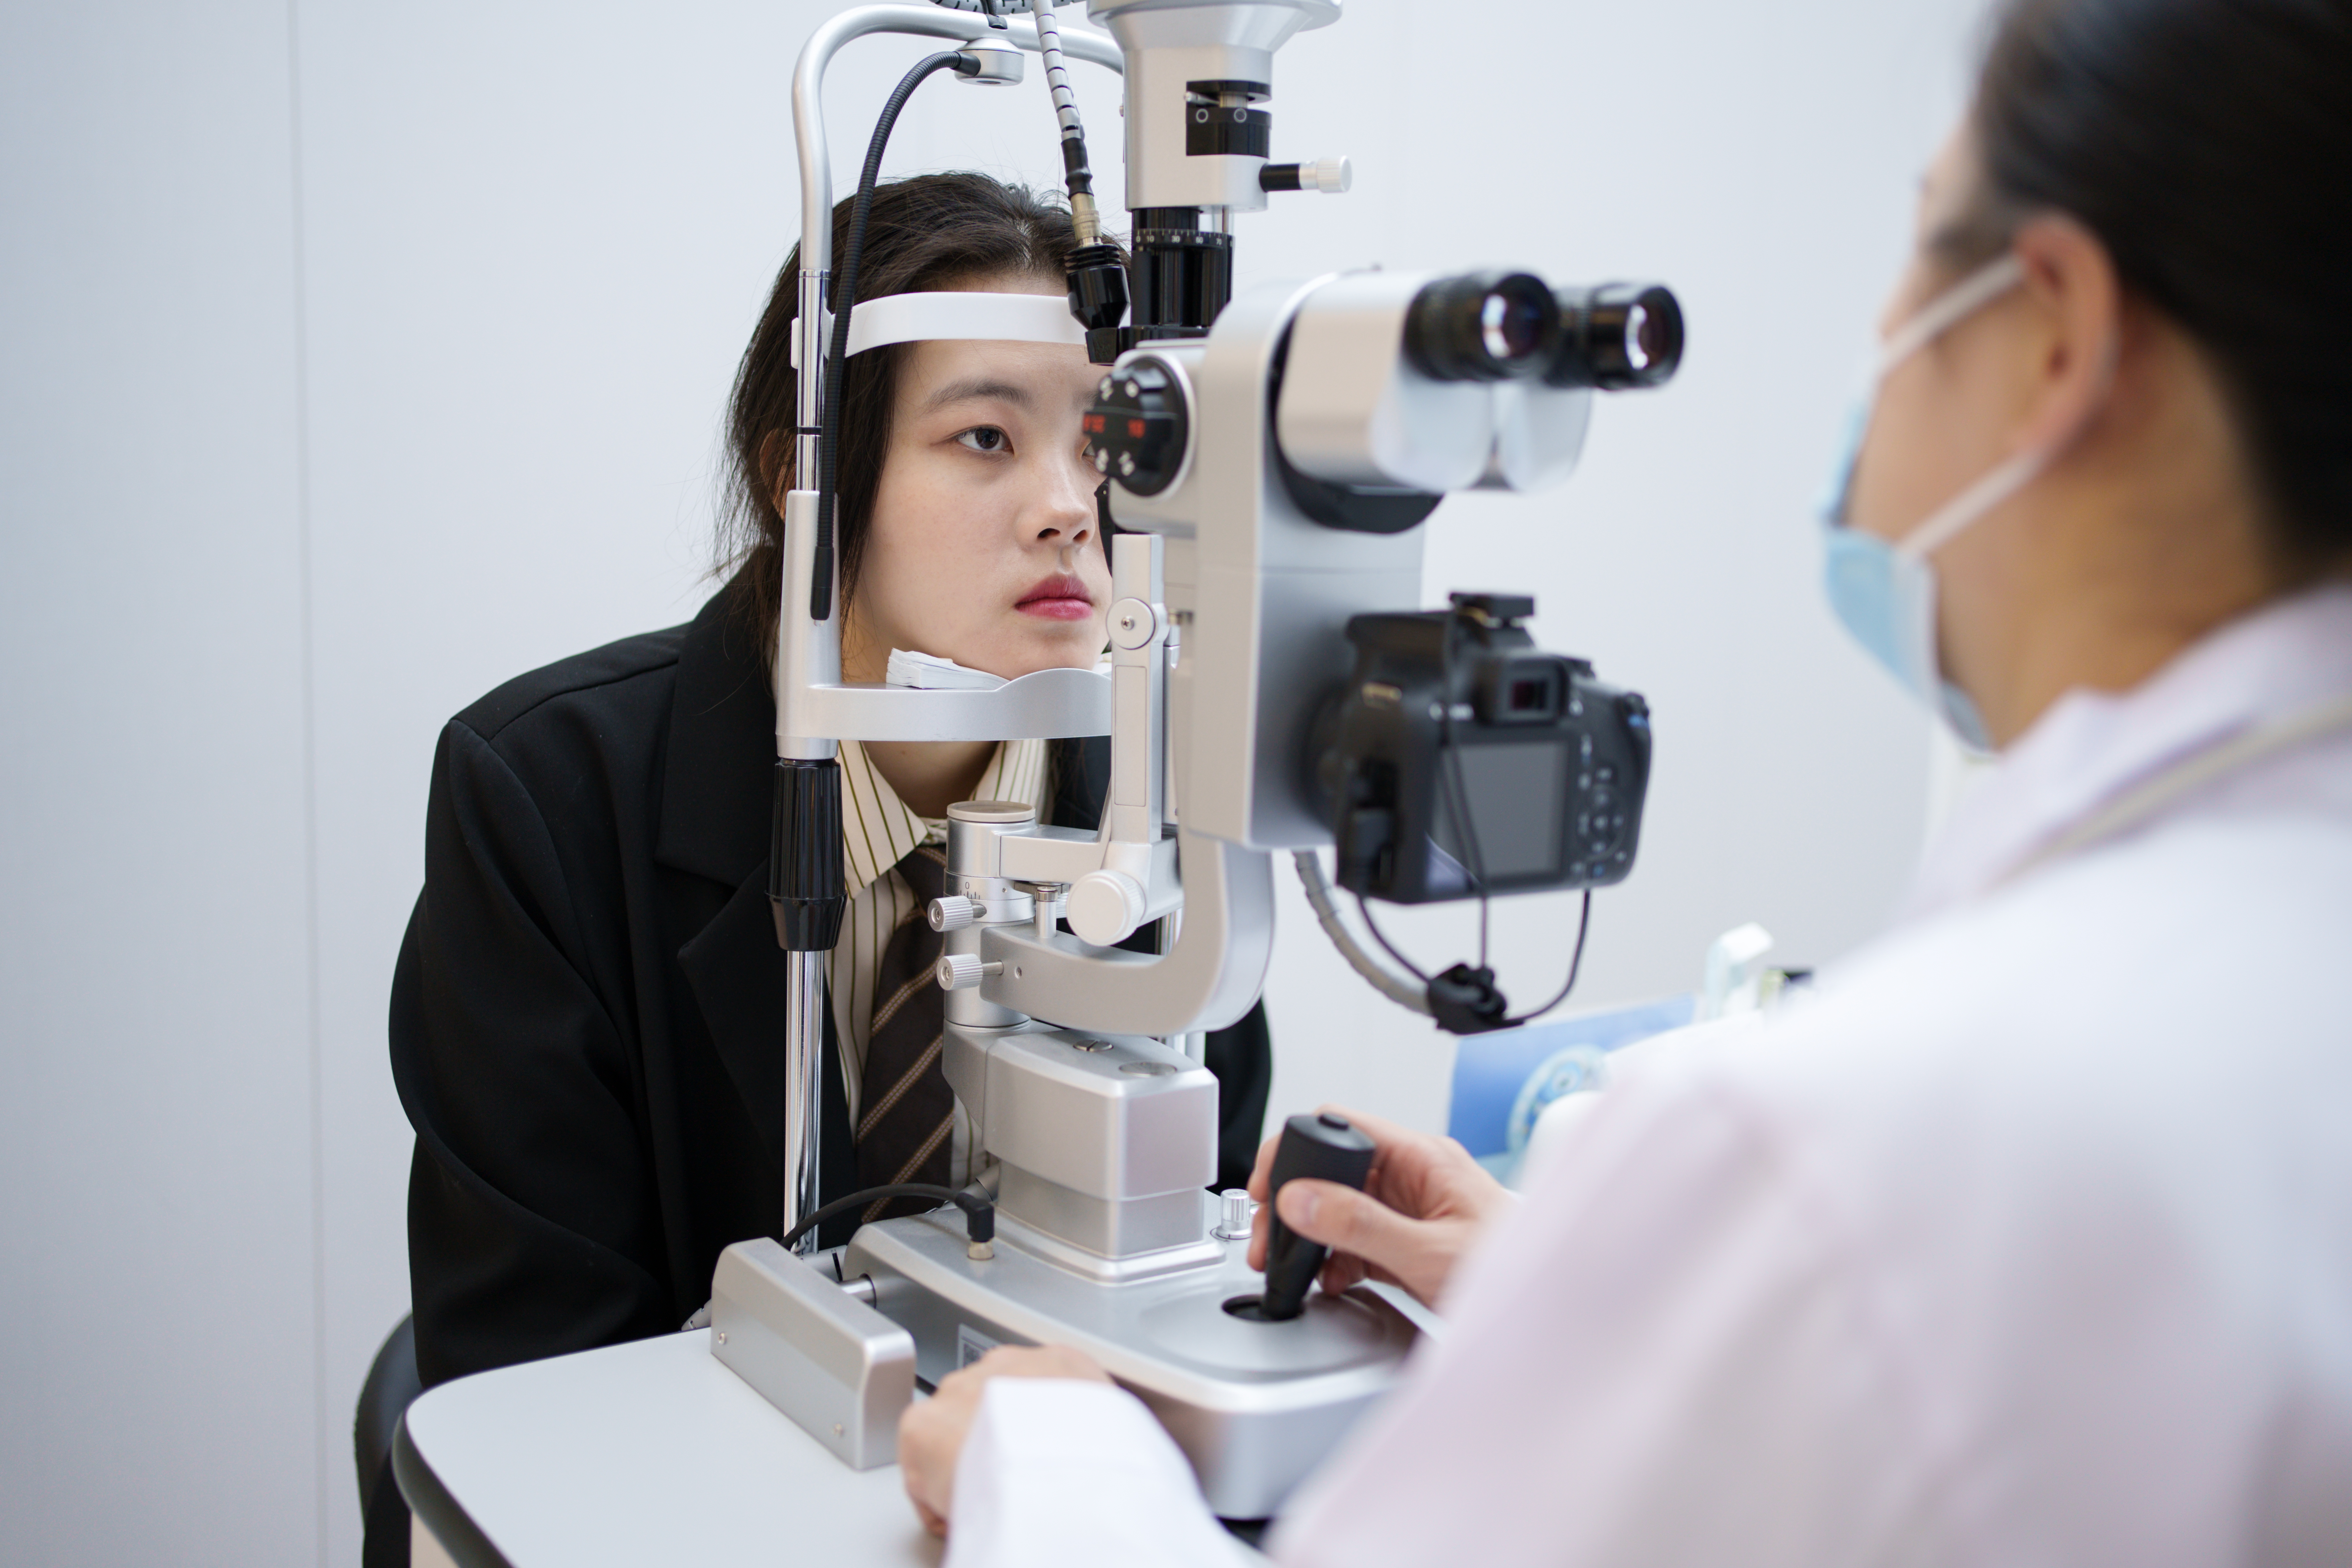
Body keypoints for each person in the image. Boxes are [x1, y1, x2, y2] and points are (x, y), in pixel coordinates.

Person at [896, 0, 2352, 1561]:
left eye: (1924, 253)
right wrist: (1597, 1291)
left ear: (2057, 333)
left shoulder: (1826, 1152)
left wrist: (1050, 1471)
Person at [380, 173, 1274, 1555]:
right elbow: (530, 1377)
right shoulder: (550, 803)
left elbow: (1186, 1323)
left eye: (1105, 439)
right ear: (796, 472)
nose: (1068, 508)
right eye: (986, 435)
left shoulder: (1172, 820)